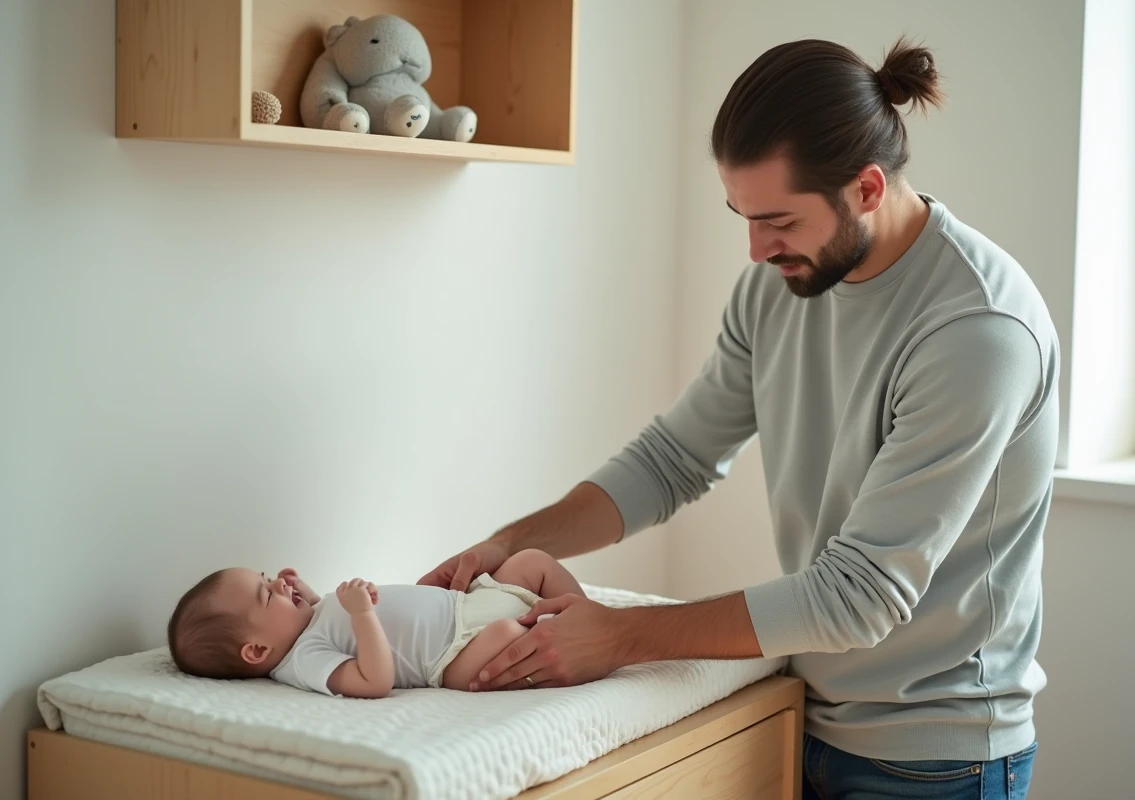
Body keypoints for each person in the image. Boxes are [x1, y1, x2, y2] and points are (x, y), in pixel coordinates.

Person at [418, 35, 1056, 799]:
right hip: (804, 712)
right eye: (742, 216)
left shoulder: (975, 331)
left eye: (779, 221)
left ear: (868, 188)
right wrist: (505, 544)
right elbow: (673, 460)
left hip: (938, 757)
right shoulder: (782, 286)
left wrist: (617, 638)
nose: (756, 250)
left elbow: (861, 594)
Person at [166, 548, 583, 696]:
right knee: (510, 635)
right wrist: (362, 613)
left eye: (265, 576)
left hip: (466, 604)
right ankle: (578, 643)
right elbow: (374, 680)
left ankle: (590, 618)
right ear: (257, 651)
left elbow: (321, 614)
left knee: (532, 562)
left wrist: (305, 593)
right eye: (265, 593)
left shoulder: (305, 623)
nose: (276, 583)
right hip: (456, 652)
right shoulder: (302, 662)